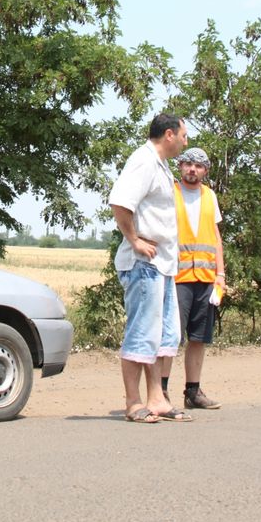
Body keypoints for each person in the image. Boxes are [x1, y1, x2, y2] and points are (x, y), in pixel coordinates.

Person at [109, 112, 192, 423]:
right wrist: (134, 240)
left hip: (163, 265)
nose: (186, 141)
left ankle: (157, 399)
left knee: (162, 336)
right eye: (184, 135)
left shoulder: (160, 164)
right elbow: (120, 202)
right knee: (141, 334)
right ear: (169, 134)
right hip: (144, 264)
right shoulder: (143, 161)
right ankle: (133, 403)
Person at [161, 146, 226, 410]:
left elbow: (216, 237)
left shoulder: (210, 196)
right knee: (171, 337)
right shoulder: (169, 193)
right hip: (177, 277)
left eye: (198, 166)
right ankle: (161, 391)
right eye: (188, 164)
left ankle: (193, 392)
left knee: (199, 338)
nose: (192, 169)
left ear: (205, 171)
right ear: (180, 167)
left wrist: (220, 274)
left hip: (206, 278)